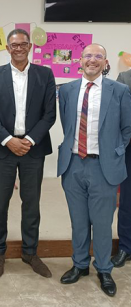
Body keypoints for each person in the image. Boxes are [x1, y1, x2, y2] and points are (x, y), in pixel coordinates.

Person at [58, 44, 131, 297]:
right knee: (78, 221)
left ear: (105, 62)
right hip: (73, 164)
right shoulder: (66, 90)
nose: (92, 60)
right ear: (80, 60)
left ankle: (103, 268)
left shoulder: (120, 90)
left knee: (101, 223)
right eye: (88, 56)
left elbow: (127, 127)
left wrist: (116, 153)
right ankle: (80, 265)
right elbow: (66, 122)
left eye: (98, 56)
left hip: (104, 166)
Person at [0, 28, 56, 280]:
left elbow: (49, 114)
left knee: (31, 202)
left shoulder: (45, 74)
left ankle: (30, 252)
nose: (19, 48)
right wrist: (8, 140)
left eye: (24, 44)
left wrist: (30, 141)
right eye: (14, 45)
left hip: (33, 150)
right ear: (7, 48)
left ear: (30, 47)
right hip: (3, 149)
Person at [112, 69, 131, 269]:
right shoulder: (125, 78)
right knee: (128, 200)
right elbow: (117, 114)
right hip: (130, 148)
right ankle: (126, 246)